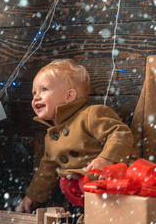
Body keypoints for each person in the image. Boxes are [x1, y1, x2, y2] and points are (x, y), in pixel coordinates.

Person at [15, 59, 136, 213]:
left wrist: (107, 158)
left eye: (44, 89)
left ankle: (109, 215)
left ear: (69, 96)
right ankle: (89, 217)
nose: (36, 97)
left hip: (114, 180)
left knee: (82, 182)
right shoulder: (51, 137)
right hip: (86, 189)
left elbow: (120, 133)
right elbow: (47, 170)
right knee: (67, 181)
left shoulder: (90, 115)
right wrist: (32, 197)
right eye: (34, 93)